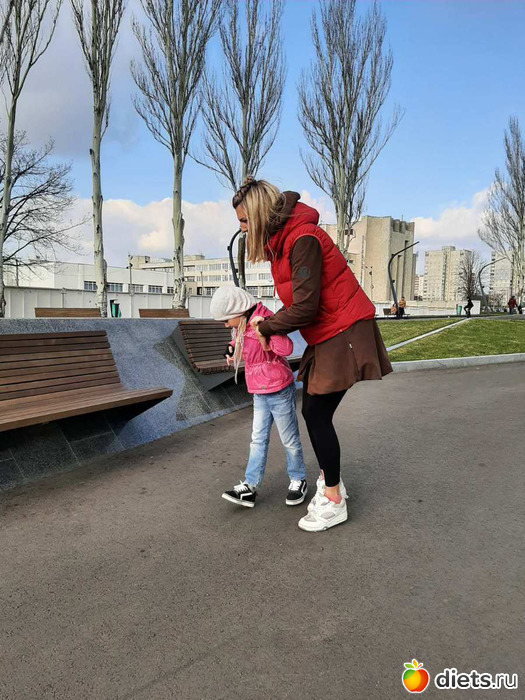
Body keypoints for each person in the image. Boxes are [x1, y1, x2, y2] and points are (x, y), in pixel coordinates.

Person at [232, 177, 393, 532]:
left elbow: (305, 307)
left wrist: (266, 327)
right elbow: (302, 303)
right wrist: (269, 324)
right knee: (315, 412)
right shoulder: (284, 243)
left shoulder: (302, 239)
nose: (241, 229)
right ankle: (331, 484)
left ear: (258, 216)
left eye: (244, 221)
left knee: (316, 413)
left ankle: (333, 499)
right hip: (330, 331)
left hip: (344, 330)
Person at [210, 285, 308, 509]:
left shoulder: (263, 320)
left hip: (278, 389)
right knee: (258, 439)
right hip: (259, 390)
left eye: (226, 320)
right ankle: (250, 486)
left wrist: (264, 330)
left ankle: (298, 479)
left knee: (289, 439)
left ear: (239, 311)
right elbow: (239, 339)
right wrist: (231, 348)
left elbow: (286, 348)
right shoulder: (242, 325)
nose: (225, 325)